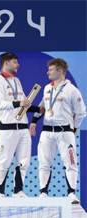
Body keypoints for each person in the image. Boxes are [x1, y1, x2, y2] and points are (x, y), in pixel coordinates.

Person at [30, 58, 86, 204]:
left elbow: (81, 112)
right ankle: (43, 193)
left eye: (51, 69)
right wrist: (34, 121)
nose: (47, 72)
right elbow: (43, 105)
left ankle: (71, 193)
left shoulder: (72, 90)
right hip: (47, 131)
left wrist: (74, 127)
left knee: (70, 162)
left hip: (65, 132)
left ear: (60, 71)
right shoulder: (47, 88)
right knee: (44, 162)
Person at [0, 52, 44, 198]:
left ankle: (18, 190)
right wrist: (19, 103)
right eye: (15, 62)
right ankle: (0, 192)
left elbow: (24, 103)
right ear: (6, 63)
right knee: (4, 161)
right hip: (6, 128)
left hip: (23, 128)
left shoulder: (16, 81)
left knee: (24, 161)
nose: (18, 65)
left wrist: (38, 109)